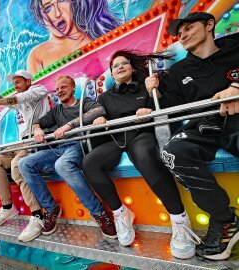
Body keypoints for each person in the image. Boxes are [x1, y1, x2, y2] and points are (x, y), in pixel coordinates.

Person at [144, 12, 239, 260]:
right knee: (171, 152)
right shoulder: (178, 72)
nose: (183, 35)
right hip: (206, 124)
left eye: (189, 28)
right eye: (180, 32)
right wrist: (153, 94)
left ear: (210, 25)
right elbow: (168, 108)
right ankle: (225, 220)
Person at [81, 50, 200, 257]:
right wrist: (99, 121)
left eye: (124, 63)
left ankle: (180, 219)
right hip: (118, 138)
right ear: (112, 73)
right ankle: (121, 213)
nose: (120, 67)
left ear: (132, 67)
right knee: (89, 162)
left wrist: (153, 104)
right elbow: (99, 116)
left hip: (141, 134)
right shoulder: (105, 97)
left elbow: (170, 108)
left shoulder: (148, 84)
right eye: (115, 66)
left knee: (145, 155)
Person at [19, 75, 116, 240]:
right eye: (57, 89)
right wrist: (37, 130)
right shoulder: (56, 110)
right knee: (24, 163)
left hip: (79, 145)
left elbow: (99, 111)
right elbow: (37, 123)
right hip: (59, 148)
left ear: (72, 88)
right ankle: (50, 208)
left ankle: (99, 213)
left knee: (62, 165)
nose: (59, 91)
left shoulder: (83, 103)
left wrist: (69, 125)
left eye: (63, 87)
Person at [0, 70, 50, 242]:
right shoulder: (21, 99)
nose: (15, 86)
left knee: (18, 165)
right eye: (14, 83)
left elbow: (15, 99)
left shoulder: (38, 90)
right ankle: (7, 207)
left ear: (28, 82)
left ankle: (38, 214)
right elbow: (9, 101)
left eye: (18, 82)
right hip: (22, 142)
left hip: (36, 140)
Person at [28, 0, 120, 73]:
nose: (57, 13)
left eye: (62, 1)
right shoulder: (37, 56)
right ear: (39, 16)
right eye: (48, 8)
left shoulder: (97, 32)